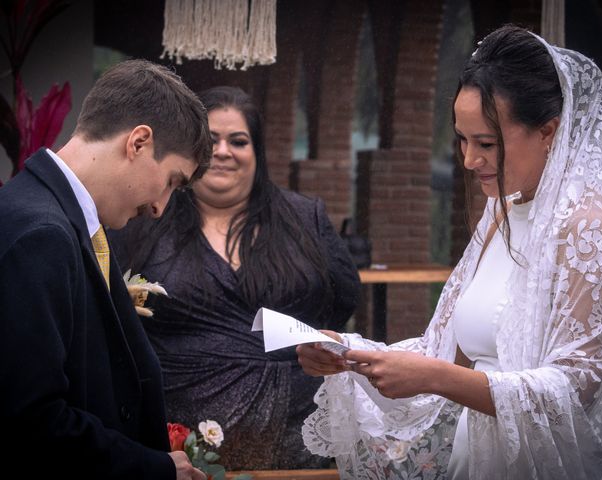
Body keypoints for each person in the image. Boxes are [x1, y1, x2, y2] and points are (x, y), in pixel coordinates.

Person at [297, 25, 602, 479]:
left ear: (548, 132)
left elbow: (576, 390)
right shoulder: (500, 213)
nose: (468, 160)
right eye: (462, 139)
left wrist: (436, 380)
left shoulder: (589, 225)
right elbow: (442, 352)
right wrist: (349, 353)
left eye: (487, 143)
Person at [110, 86, 361, 470]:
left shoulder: (305, 216)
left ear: (256, 151)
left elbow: (343, 298)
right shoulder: (148, 218)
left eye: (238, 141)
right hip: (181, 450)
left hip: (301, 443)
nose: (224, 152)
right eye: (211, 141)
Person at [0, 59, 213, 479]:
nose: (159, 207)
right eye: (171, 181)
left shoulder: (66, 220)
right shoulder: (41, 234)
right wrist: (152, 469)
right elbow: (29, 420)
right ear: (138, 142)